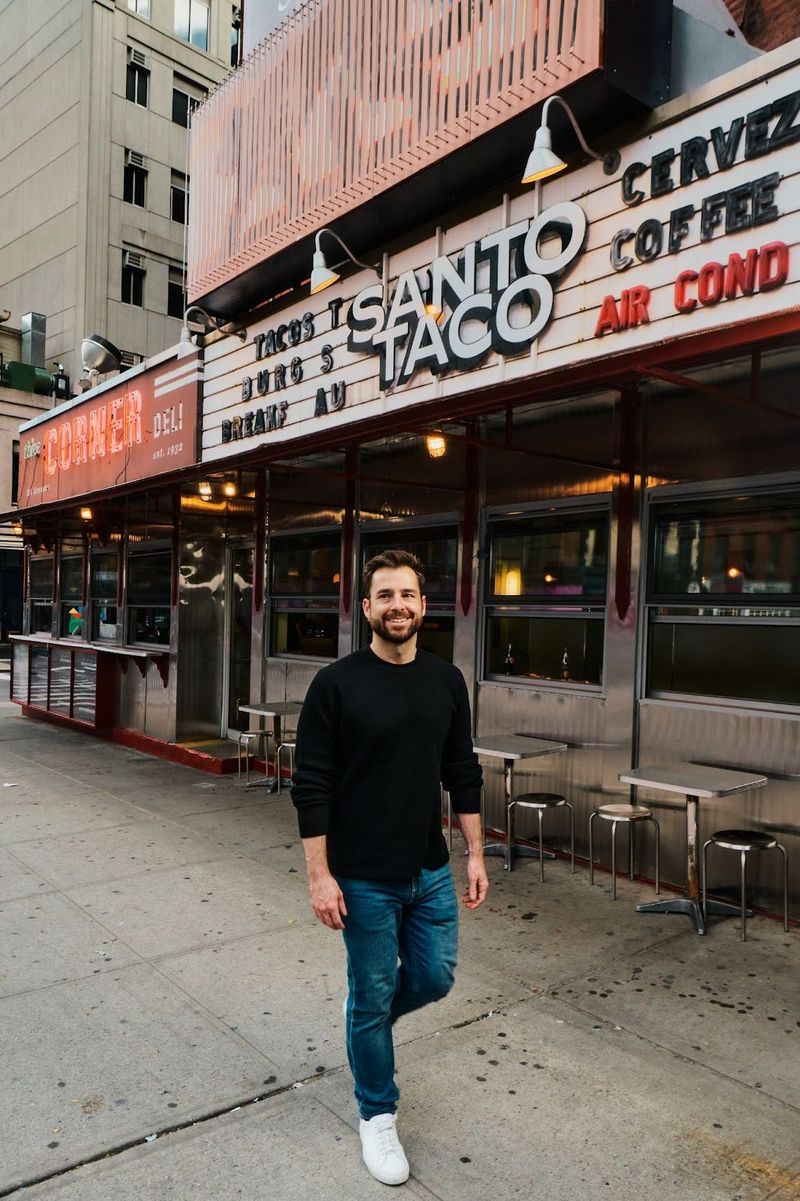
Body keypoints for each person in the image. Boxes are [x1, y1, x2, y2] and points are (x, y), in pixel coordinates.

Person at [291, 548, 488, 1186]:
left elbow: (462, 770)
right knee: (373, 993)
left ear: (423, 606)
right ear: (367, 607)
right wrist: (320, 876)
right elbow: (310, 785)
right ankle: (378, 1113)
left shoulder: (446, 680)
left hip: (428, 868)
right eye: (385, 596)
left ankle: (366, 1025)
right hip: (362, 877)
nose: (397, 605)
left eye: (408, 594)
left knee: (433, 979)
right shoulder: (337, 685)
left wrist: (476, 853)